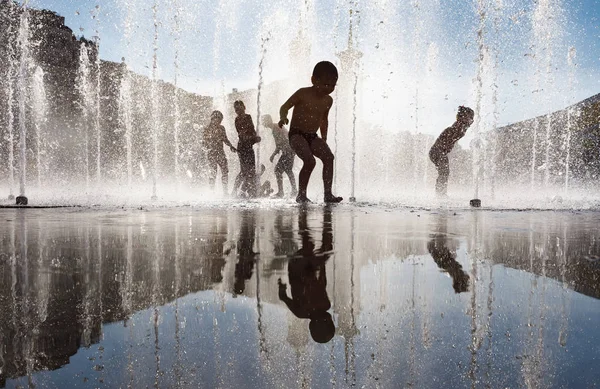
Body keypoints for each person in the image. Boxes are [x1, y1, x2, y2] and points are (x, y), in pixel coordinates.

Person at [279, 61, 342, 204]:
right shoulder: (303, 93)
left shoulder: (328, 100)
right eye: (325, 84)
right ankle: (301, 195)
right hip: (296, 134)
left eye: (332, 85)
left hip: (312, 136)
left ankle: (328, 194)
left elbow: (324, 120)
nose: (329, 88)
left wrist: (324, 138)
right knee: (309, 161)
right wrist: (283, 117)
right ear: (314, 80)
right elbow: (284, 107)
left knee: (329, 157)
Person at [278, 206, 335, 343]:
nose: (330, 319)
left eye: (329, 323)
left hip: (297, 270)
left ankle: (302, 215)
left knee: (308, 246)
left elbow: (283, 297)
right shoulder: (325, 305)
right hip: (309, 269)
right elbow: (322, 285)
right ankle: (326, 218)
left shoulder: (301, 312)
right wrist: (322, 266)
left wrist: (282, 286)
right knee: (326, 247)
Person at [429, 106, 475, 196]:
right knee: (444, 172)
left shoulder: (460, 127)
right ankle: (440, 194)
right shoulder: (458, 126)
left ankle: (441, 193)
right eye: (470, 118)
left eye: (472, 119)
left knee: (444, 172)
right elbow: (456, 131)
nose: (471, 122)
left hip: (439, 152)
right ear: (463, 117)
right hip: (437, 151)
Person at [201, 110, 236, 194]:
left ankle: (225, 191)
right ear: (212, 118)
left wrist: (231, 146)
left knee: (224, 171)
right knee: (213, 172)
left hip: (220, 153)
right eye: (217, 119)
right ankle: (211, 191)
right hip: (211, 153)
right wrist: (205, 150)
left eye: (220, 119)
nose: (218, 121)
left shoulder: (221, 128)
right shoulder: (207, 128)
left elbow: (225, 139)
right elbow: (203, 142)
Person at [263, 114, 297, 198]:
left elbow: (281, 142)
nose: (263, 123)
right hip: (290, 150)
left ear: (268, 120)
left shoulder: (275, 128)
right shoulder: (275, 127)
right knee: (287, 170)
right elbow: (280, 143)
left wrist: (273, 155)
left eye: (264, 121)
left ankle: (283, 192)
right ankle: (293, 190)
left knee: (278, 170)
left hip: (288, 151)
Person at [232, 101, 261, 198]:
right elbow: (242, 135)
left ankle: (249, 190)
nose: (238, 111)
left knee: (251, 170)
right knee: (244, 171)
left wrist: (256, 137)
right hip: (242, 147)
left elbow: (252, 130)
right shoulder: (237, 120)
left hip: (249, 146)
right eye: (236, 109)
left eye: (240, 108)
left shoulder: (248, 117)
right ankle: (234, 190)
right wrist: (253, 138)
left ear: (244, 107)